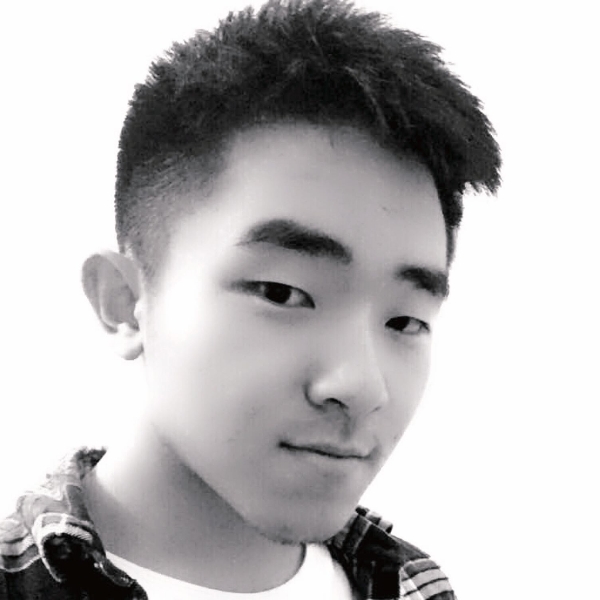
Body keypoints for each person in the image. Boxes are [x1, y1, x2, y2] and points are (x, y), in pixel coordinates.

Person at [0, 0, 500, 598]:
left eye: (405, 321)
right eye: (283, 294)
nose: (363, 386)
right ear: (124, 300)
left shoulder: (419, 586)